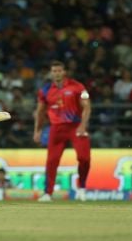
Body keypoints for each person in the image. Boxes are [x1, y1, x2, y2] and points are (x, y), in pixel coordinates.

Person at [33, 60, 91, 202]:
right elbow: (40, 112)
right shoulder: (45, 90)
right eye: (54, 71)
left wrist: (83, 125)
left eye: (59, 71)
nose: (57, 73)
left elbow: (87, 106)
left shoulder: (78, 87)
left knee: (84, 158)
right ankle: (48, 193)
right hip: (57, 128)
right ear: (51, 73)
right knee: (52, 161)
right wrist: (37, 131)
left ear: (64, 72)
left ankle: (82, 188)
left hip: (75, 126)